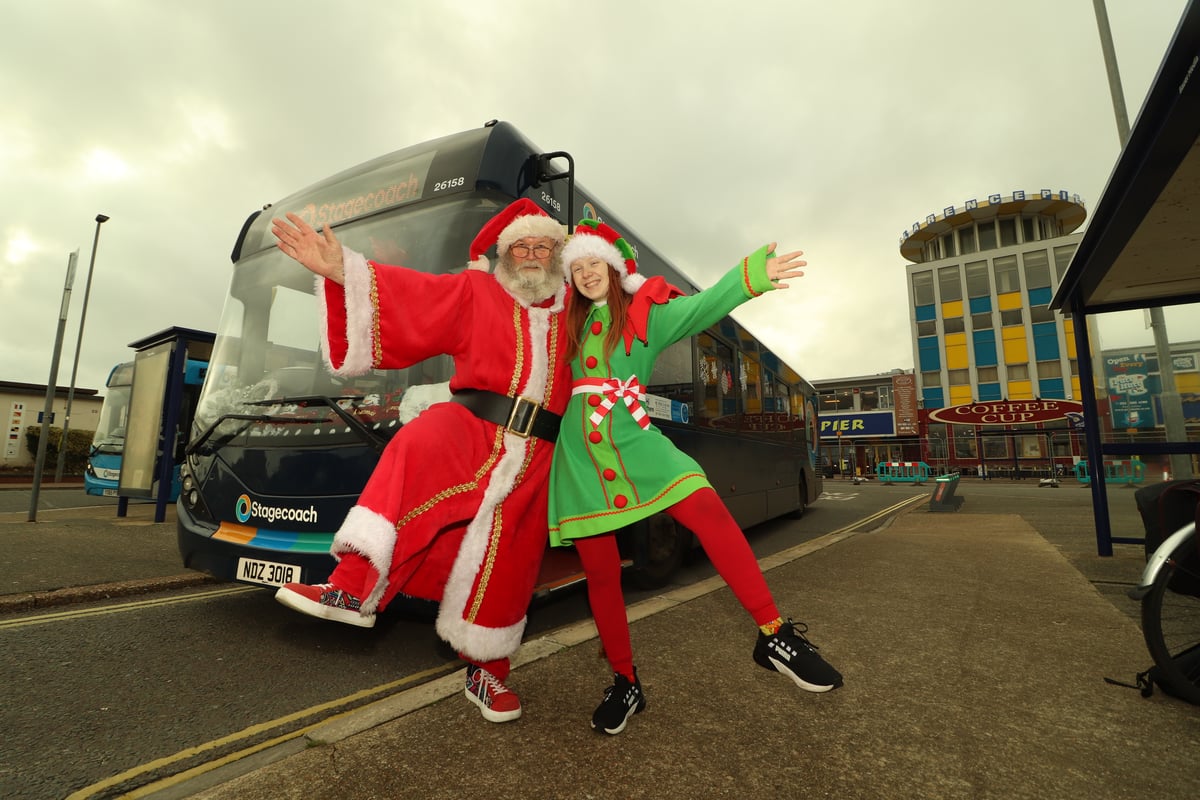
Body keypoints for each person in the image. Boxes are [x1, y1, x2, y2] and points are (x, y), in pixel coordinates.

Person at [270, 198, 572, 724]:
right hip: (472, 425)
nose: (530, 254)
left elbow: (633, 302)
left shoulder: (578, 310)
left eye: (541, 245)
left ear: (557, 254)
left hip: (543, 453)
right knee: (415, 444)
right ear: (503, 255)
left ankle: (487, 674)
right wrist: (343, 269)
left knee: (508, 563)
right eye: (519, 245)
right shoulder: (477, 289)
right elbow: (414, 296)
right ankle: (349, 589)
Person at [550, 219, 844, 735]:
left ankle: (773, 633)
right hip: (578, 457)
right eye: (576, 267)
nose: (585, 273)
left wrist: (751, 277)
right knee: (600, 573)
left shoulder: (644, 317)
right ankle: (625, 683)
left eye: (594, 262)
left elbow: (703, 307)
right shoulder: (563, 326)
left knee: (706, 507)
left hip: (636, 439)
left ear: (614, 267)